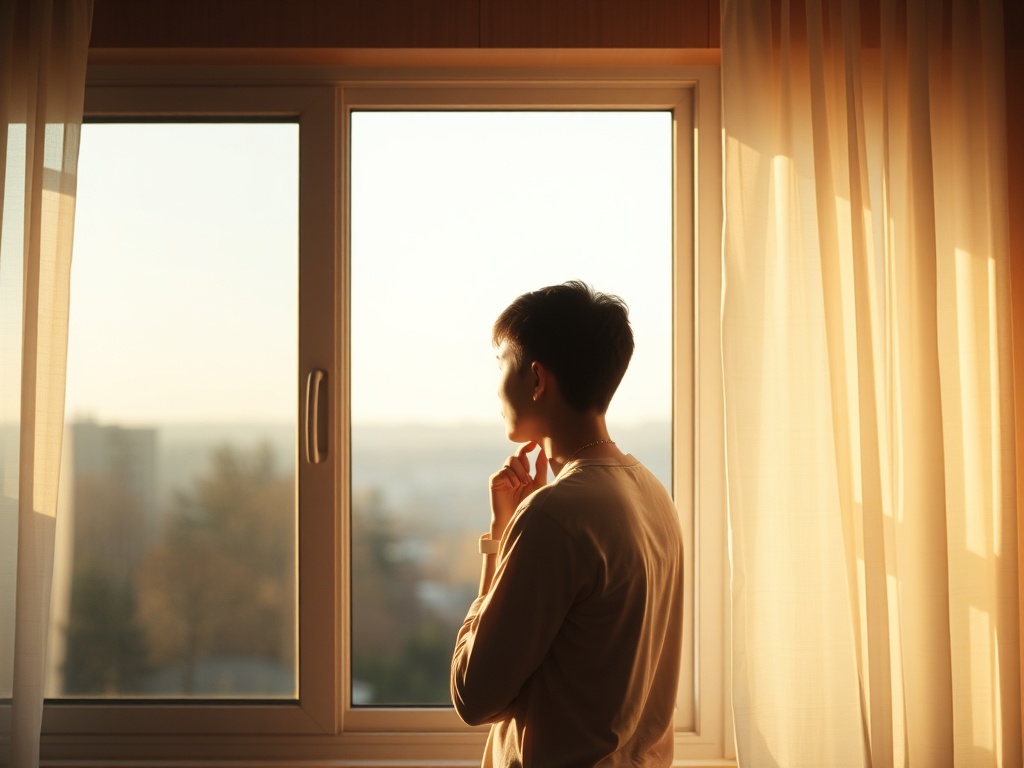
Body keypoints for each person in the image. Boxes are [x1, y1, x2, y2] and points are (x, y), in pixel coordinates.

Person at [450, 281, 685, 767]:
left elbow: (473, 695)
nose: (496, 387)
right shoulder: (653, 494)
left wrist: (502, 537)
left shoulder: (554, 517)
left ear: (536, 379)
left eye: (501, 365)